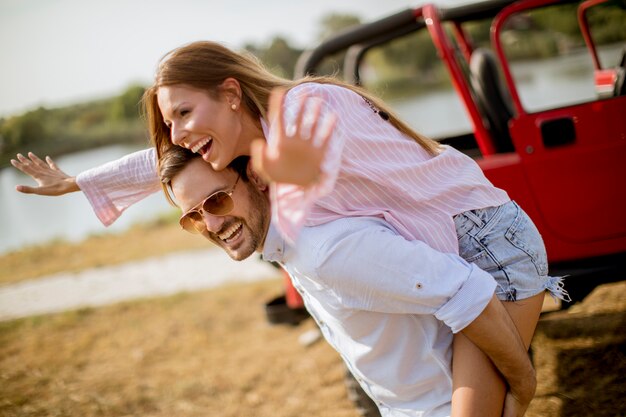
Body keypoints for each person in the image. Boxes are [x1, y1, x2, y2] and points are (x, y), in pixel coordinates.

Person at [11, 40, 568, 416]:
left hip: (488, 240)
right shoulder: (254, 147)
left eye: (182, 113)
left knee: (503, 395)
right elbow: (165, 159)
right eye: (169, 120)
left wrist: (525, 380)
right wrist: (83, 183)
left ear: (231, 93)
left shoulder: (308, 108)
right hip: (448, 249)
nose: (176, 132)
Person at [158, 145, 536, 417]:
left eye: (217, 201)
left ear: (255, 176)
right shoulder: (287, 245)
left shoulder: (326, 251)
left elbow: (471, 292)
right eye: (191, 216)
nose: (210, 224)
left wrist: (523, 383)